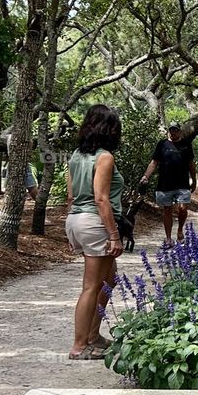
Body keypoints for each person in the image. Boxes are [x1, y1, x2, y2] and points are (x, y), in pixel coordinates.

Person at [65, 104, 124, 360]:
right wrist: (114, 234)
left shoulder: (76, 155)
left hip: (77, 219)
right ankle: (79, 346)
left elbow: (70, 195)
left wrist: (74, 230)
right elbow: (101, 198)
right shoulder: (104, 157)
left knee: (110, 279)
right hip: (94, 222)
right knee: (91, 286)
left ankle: (93, 335)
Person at [139, 122, 197, 245]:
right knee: (167, 210)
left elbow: (191, 164)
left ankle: (180, 230)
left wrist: (194, 179)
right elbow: (154, 162)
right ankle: (168, 238)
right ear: (168, 131)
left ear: (180, 131)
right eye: (171, 130)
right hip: (165, 183)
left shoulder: (186, 144)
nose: (173, 132)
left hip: (182, 183)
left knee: (182, 208)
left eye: (175, 130)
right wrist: (146, 176)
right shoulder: (162, 144)